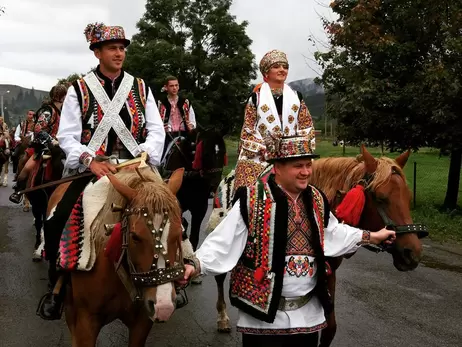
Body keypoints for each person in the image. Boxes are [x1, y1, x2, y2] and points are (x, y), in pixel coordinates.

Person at [181, 134, 396, 347]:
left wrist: (372, 237)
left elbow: (333, 233)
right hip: (263, 319)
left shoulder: (316, 200)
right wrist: (194, 265)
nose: (305, 172)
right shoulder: (252, 199)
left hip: (307, 316)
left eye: (308, 165)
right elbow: (223, 241)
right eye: (298, 166)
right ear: (277, 167)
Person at [37, 22, 165, 320]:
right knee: (59, 218)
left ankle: (176, 274)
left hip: (136, 166)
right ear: (97, 53)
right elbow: (67, 135)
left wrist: (146, 154)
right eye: (112, 48)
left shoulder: (141, 87)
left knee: (169, 212)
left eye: (122, 48)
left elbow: (157, 129)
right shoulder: (79, 89)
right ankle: (57, 285)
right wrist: (89, 160)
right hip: (94, 169)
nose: (119, 53)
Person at [233, 50, 315, 191]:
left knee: (311, 182)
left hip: (292, 153)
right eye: (277, 66)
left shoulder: (297, 97)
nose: (282, 70)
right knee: (245, 189)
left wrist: (295, 148)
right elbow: (248, 129)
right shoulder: (256, 98)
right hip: (260, 155)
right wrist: (265, 150)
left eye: (285, 67)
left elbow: (306, 126)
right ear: (266, 72)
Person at [9, 84, 67, 203]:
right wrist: (52, 141)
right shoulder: (48, 111)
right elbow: (38, 129)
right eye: (65, 96)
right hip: (43, 146)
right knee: (27, 167)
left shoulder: (63, 112)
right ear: (61, 97)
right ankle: (18, 191)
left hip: (61, 146)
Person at [158, 76, 196, 150]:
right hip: (167, 136)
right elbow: (156, 121)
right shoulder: (161, 103)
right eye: (171, 86)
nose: (174, 88)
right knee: (161, 155)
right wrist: (161, 128)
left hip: (185, 135)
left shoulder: (186, 102)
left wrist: (191, 126)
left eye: (176, 85)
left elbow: (193, 121)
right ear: (166, 87)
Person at [0, 116, 10, 187]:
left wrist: (4, 135)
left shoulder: (5, 124)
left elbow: (7, 132)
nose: (0, 121)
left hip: (3, 137)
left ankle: (7, 149)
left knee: (6, 141)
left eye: (1, 120)